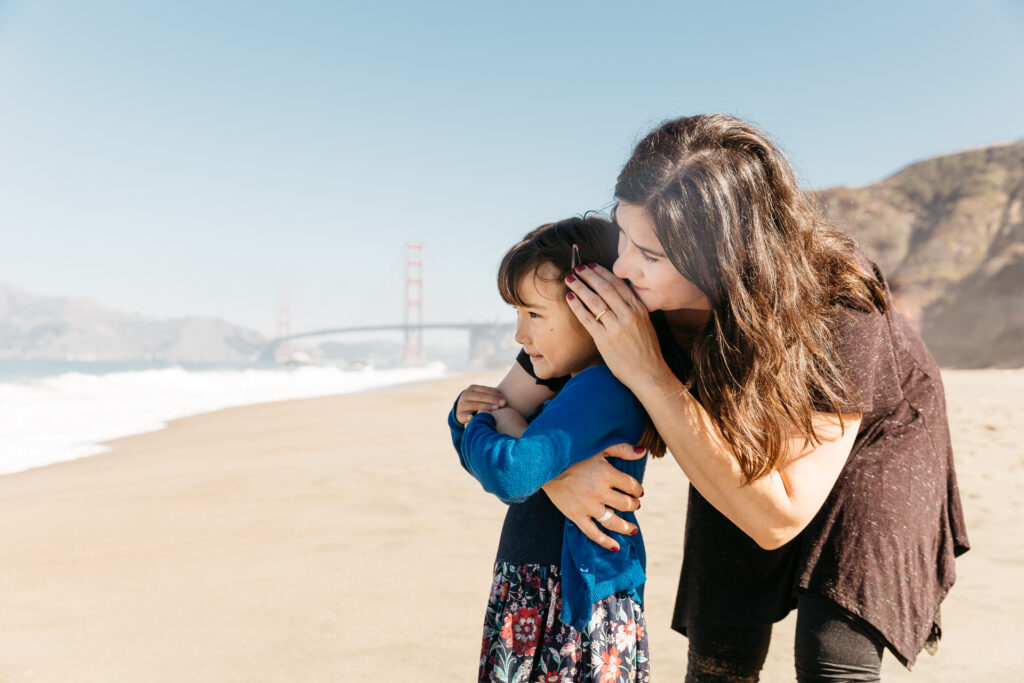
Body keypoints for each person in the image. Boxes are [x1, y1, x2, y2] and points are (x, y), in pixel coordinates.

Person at [455, 114, 969, 682]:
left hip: (879, 430)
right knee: (719, 642)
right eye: (625, 234)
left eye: (651, 255)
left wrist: (647, 371)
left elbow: (779, 519)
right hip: (732, 425)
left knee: (833, 654)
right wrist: (556, 475)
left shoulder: (840, 303)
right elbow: (495, 404)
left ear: (727, 258)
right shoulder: (623, 274)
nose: (624, 267)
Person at [449, 216, 667, 682]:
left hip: (567, 607)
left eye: (534, 315)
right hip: (548, 595)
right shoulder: (570, 383)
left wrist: (492, 421)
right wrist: (466, 421)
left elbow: (512, 474)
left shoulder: (601, 389)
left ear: (594, 311)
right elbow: (486, 458)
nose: (520, 337)